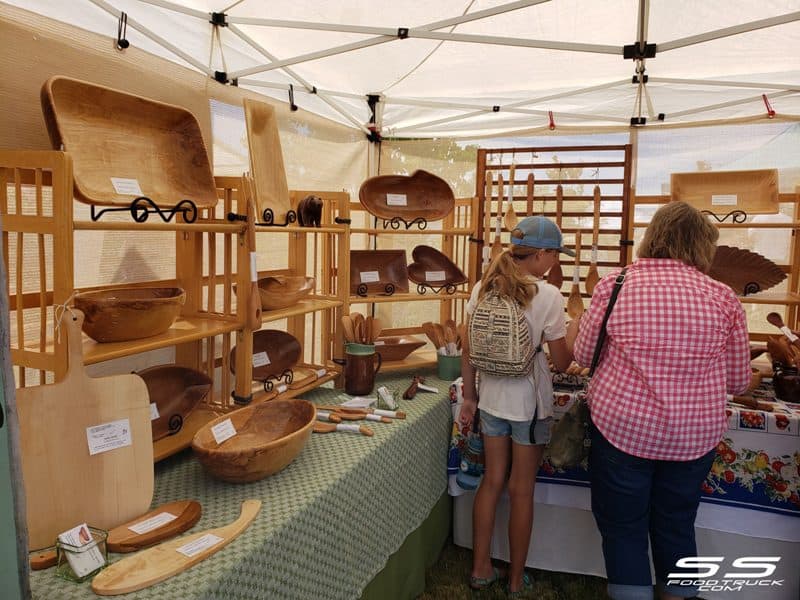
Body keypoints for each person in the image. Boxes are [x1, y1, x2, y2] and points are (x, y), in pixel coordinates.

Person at [571, 201, 751, 600]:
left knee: (623, 529)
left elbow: (583, 355)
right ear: (704, 245)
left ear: (653, 237)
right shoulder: (724, 297)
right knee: (677, 524)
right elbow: (738, 381)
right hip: (692, 438)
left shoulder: (615, 285)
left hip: (623, 429)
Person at [460, 215, 579, 595]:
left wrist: (470, 395)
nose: (555, 263)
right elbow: (562, 362)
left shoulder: (483, 287)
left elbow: (467, 347)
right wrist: (574, 325)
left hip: (491, 401)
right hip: (529, 406)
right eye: (555, 255)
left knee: (492, 482)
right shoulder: (548, 296)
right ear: (541, 254)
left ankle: (480, 570)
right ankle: (515, 580)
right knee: (521, 490)